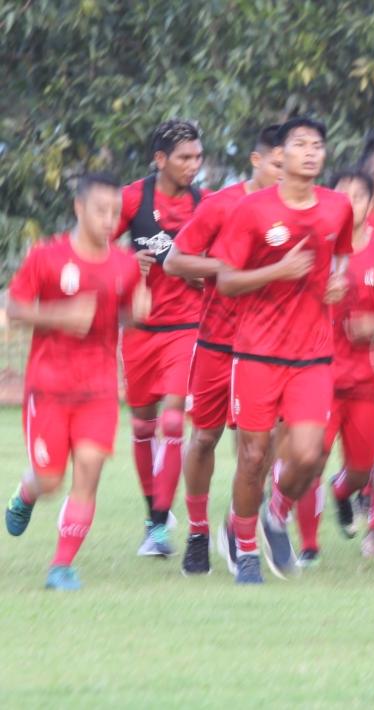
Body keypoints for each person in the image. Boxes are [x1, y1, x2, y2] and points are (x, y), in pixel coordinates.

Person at [210, 116, 353, 585]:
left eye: (318, 145)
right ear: (282, 155)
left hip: (312, 354)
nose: (311, 152)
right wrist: (279, 271)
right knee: (252, 457)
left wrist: (338, 281)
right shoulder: (252, 211)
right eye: (300, 145)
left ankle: (276, 512)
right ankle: (245, 547)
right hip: (255, 353)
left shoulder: (337, 208)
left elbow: (343, 256)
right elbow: (227, 280)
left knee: (310, 456)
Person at [5, 173, 150, 590]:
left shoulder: (125, 264)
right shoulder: (46, 257)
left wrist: (136, 313)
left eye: (115, 213)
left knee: (88, 470)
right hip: (48, 387)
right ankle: (27, 492)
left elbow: (122, 315)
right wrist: (59, 316)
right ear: (79, 208)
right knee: (50, 480)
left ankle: (61, 566)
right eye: (101, 210)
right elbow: (13, 307)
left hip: (100, 389)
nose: (109, 220)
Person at [163, 124, 283, 575]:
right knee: (207, 437)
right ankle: (197, 530)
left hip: (269, 348)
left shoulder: (296, 210)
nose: (283, 171)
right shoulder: (222, 205)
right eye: (276, 162)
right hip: (217, 342)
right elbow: (175, 260)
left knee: (260, 444)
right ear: (256, 161)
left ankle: (239, 527)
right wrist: (225, 267)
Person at [283, 169, 374, 568]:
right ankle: (308, 545)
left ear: (370, 205)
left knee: (359, 469)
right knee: (311, 459)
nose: (348, 203)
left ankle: (343, 492)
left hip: (369, 384)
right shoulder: (308, 253)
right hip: (316, 375)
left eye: (357, 197)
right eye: (340, 196)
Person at [113, 118, 206, 556]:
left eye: (198, 157)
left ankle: (157, 528)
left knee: (172, 421)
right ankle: (154, 511)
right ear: (160, 160)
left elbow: (217, 266)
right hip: (139, 329)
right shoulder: (132, 199)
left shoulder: (205, 205)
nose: (193, 165)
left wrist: (196, 273)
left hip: (186, 327)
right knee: (142, 425)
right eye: (185, 157)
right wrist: (131, 263)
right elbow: (99, 252)